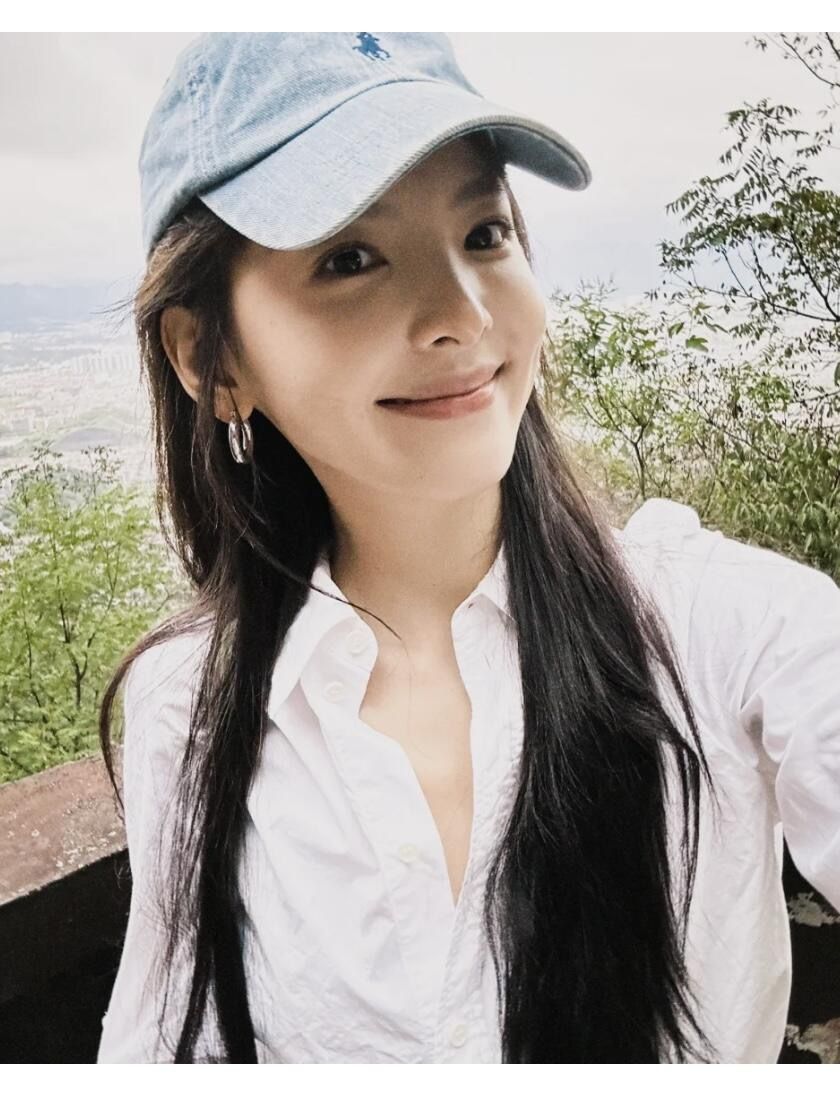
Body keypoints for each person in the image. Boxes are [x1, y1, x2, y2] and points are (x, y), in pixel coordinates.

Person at [96, 32, 840, 1064]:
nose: (461, 312)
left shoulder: (724, 630)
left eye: (484, 232)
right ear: (208, 359)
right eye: (350, 258)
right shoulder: (191, 706)